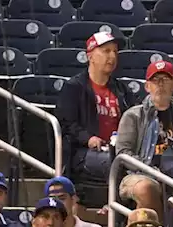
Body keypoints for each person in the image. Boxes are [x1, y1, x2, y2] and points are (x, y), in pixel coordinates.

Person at [56, 32, 132, 181]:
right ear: (90, 56)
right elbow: (66, 123)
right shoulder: (74, 87)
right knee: (118, 166)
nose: (112, 56)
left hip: (118, 150)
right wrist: (88, 138)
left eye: (115, 52)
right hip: (82, 152)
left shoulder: (122, 90)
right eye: (106, 51)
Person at [115, 60, 173, 211]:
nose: (160, 84)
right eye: (155, 80)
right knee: (145, 188)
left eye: (165, 79)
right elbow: (123, 153)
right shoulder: (133, 115)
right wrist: (151, 170)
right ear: (147, 86)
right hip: (140, 173)